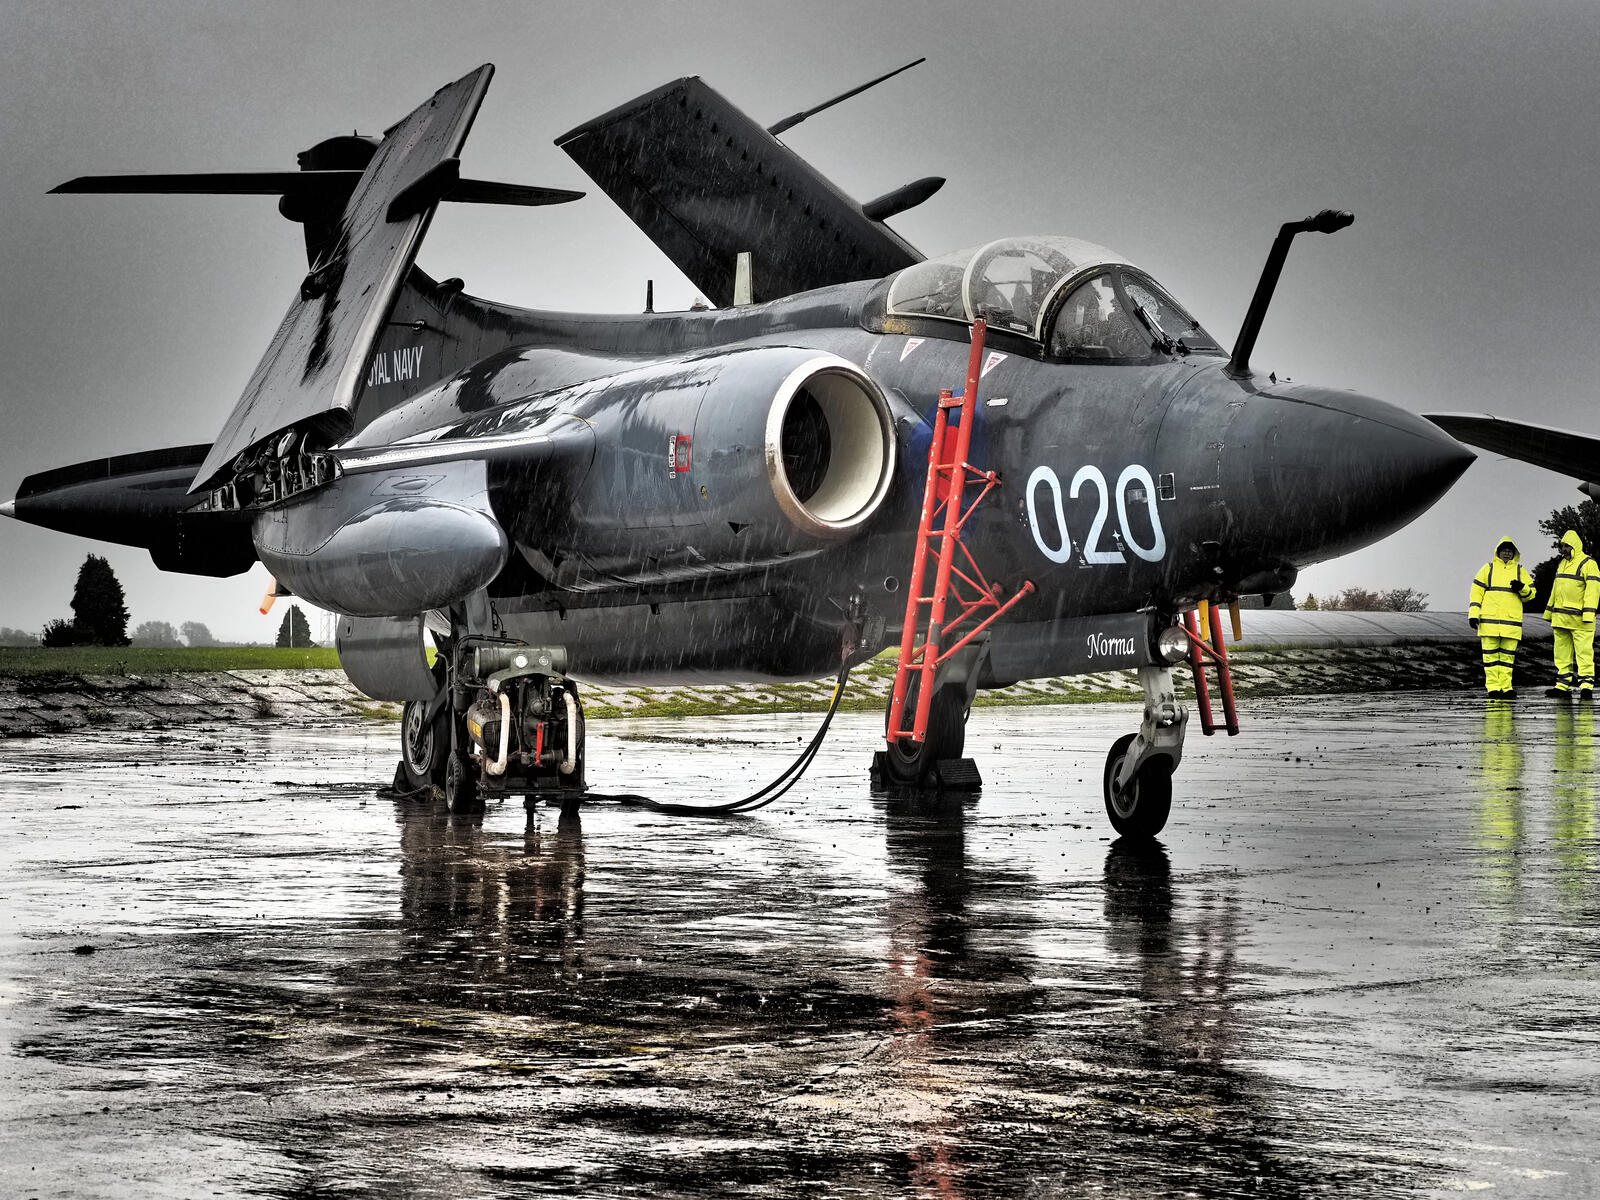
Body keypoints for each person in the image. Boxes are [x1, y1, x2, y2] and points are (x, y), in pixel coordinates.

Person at [1468, 536, 1536, 697]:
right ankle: (1493, 688)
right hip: (1489, 622)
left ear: (1514, 553)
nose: (1506, 553)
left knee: (1507, 658)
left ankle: (1506, 687)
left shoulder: (1520, 570)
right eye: (1504, 550)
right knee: (1490, 658)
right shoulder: (1488, 568)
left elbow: (1532, 594)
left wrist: (1522, 588)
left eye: (1509, 551)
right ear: (1498, 552)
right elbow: (1476, 593)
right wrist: (1473, 614)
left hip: (1511, 623)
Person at [1542, 529, 1599, 700]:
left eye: (1567, 546)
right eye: (1562, 546)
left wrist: (1588, 614)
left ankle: (1586, 686)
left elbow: (1593, 591)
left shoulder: (1588, 563)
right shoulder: (1562, 564)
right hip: (1561, 619)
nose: (1564, 549)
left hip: (1580, 620)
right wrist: (1549, 612)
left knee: (1584, 654)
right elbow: (1555, 590)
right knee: (1561, 654)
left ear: (1575, 545)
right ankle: (1562, 685)